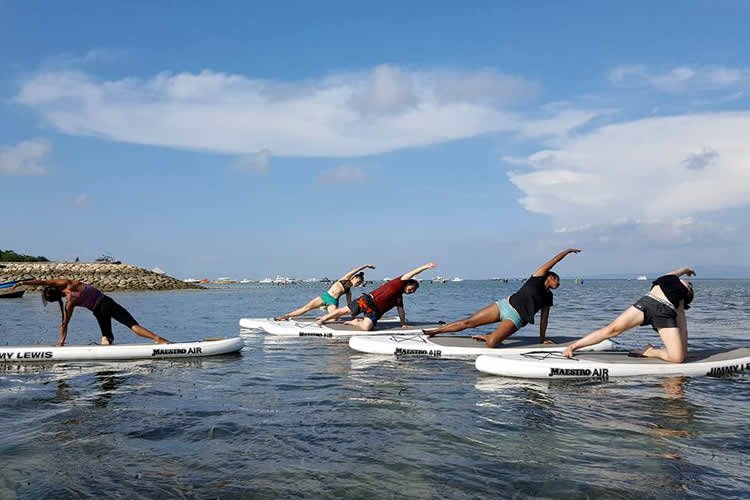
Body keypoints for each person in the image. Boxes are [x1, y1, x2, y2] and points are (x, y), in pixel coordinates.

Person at [422, 249, 582, 347]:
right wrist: (566, 252)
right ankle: (436, 331)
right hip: (504, 305)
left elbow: (544, 319)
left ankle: (488, 337)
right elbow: (553, 261)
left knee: (492, 344)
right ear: (550, 277)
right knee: (468, 322)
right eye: (557, 280)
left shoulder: (548, 297)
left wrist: (542, 339)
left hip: (516, 319)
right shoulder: (538, 277)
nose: (559, 283)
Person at [563, 267, 695, 362]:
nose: (689, 284)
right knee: (612, 329)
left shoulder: (681, 299)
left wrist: (683, 351)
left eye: (690, 286)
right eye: (689, 283)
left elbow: (682, 326)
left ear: (688, 293)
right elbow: (676, 272)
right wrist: (685, 269)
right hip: (647, 303)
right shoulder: (669, 279)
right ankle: (573, 346)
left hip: (664, 312)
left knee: (677, 358)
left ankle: (649, 351)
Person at [19, 279, 170, 346]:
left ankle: (106, 347)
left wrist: (61, 342)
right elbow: (45, 282)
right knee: (132, 325)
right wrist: (23, 282)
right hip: (106, 303)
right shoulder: (68, 283)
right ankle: (158, 339)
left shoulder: (69, 303)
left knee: (107, 337)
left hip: (97, 312)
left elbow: (65, 323)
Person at [316, 262, 437, 331]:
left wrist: (403, 323)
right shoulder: (398, 282)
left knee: (366, 328)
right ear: (407, 284)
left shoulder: (399, 297)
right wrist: (425, 267)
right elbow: (412, 273)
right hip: (367, 300)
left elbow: (401, 310)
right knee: (343, 311)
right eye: (412, 289)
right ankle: (323, 319)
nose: (412, 292)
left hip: (375, 312)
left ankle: (355, 322)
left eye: (414, 291)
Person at [274, 264, 375, 321]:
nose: (358, 284)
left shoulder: (349, 292)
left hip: (333, 302)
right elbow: (355, 270)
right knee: (305, 308)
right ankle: (284, 317)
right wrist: (365, 266)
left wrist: (355, 314)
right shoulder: (345, 278)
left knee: (334, 319)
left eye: (359, 283)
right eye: (358, 281)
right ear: (354, 278)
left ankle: (322, 318)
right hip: (325, 297)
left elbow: (349, 305)